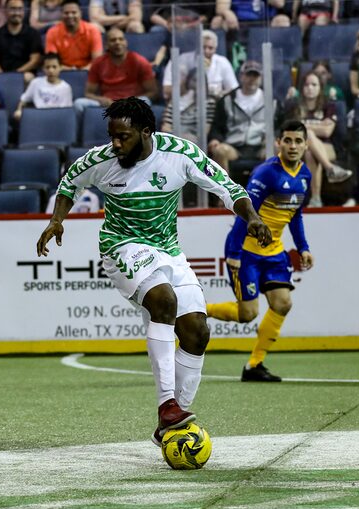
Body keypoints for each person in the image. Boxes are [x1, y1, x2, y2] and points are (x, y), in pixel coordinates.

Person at [37, 97, 272, 445]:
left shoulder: (180, 154)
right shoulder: (102, 160)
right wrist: (56, 220)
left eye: (124, 137)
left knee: (197, 330)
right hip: (122, 246)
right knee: (164, 301)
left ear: (147, 132)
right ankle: (167, 405)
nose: (115, 144)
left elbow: (227, 187)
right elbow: (70, 182)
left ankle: (173, 423)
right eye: (112, 136)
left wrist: (251, 216)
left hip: (168, 251)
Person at [206, 120, 314, 382]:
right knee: (248, 314)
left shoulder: (305, 175)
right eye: (287, 140)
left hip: (274, 251)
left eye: (298, 141)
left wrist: (303, 247)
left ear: (306, 145)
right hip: (247, 252)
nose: (292, 146)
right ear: (278, 142)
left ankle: (254, 365)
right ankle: (199, 308)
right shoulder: (266, 173)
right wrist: (234, 253)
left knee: (283, 303)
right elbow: (245, 213)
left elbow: (295, 214)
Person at [280, 71, 351, 207]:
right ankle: (321, 189)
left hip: (327, 147)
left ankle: (320, 188)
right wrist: (317, 125)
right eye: (307, 85)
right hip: (299, 148)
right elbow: (291, 130)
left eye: (314, 84)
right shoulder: (293, 106)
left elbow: (326, 131)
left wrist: (304, 126)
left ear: (320, 88)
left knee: (309, 136)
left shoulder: (329, 106)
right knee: (309, 150)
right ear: (302, 88)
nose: (310, 88)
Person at [74, 28, 157, 116]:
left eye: (121, 39)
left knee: (145, 101)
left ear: (126, 42)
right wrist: (101, 99)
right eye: (113, 40)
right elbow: (88, 93)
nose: (118, 42)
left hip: (132, 103)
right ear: (106, 45)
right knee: (78, 103)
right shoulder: (98, 63)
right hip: (108, 103)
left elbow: (153, 93)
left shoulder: (139, 61)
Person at [207, 61, 271, 175]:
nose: (252, 79)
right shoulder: (227, 100)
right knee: (219, 150)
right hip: (233, 146)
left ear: (261, 78)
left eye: (255, 76)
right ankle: (226, 191)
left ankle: (273, 192)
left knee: (277, 149)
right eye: (248, 75)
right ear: (241, 77)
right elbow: (217, 126)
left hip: (260, 147)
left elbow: (278, 125)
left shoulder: (272, 102)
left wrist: (273, 139)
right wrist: (215, 139)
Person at [0, 0, 43, 84]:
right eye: (12, 9)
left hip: (24, 74)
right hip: (1, 74)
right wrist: (3, 76)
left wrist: (16, 75)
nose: (16, 13)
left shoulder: (33, 34)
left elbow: (35, 60)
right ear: (5, 11)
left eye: (20, 9)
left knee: (28, 78)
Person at [45, 0, 103, 70]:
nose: (70, 16)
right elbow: (52, 61)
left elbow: (96, 61)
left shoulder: (93, 30)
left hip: (89, 71)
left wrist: (83, 70)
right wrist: (67, 69)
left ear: (80, 13)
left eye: (74, 12)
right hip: (62, 71)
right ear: (61, 14)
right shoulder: (52, 32)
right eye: (66, 13)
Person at [14, 52, 73, 120]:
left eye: (54, 67)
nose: (51, 70)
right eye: (47, 67)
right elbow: (23, 100)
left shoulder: (66, 88)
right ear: (43, 69)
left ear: (60, 68)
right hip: (39, 118)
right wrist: (19, 110)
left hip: (57, 119)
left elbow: (67, 112)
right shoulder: (36, 82)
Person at [212, 0, 291, 30]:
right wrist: (227, 13)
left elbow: (280, 3)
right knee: (218, 21)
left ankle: (284, 61)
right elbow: (220, 8)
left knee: (283, 20)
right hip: (238, 23)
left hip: (266, 21)